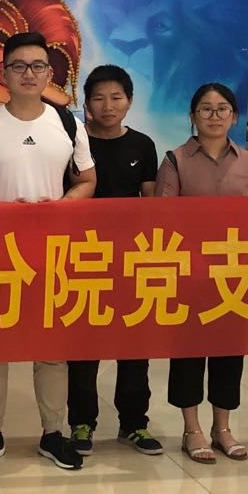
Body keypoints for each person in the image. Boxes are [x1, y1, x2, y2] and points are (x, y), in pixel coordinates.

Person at [0, 31, 96, 471]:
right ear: (3, 73)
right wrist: (0, 213)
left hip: (52, 251)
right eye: (18, 66)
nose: (28, 74)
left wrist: (63, 206)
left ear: (49, 74)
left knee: (52, 348)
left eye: (37, 66)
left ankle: (53, 433)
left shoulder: (68, 124)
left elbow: (87, 180)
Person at [156, 82, 248, 464]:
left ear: (234, 116)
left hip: (235, 271)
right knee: (188, 352)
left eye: (222, 109)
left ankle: (223, 427)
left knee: (229, 352)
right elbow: (163, 217)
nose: (214, 116)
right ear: (193, 116)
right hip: (191, 272)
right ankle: (192, 429)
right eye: (206, 109)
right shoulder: (175, 160)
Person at [66, 64, 162, 456]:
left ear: (129, 102)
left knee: (134, 343)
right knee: (83, 345)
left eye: (116, 97)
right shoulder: (73, 141)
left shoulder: (142, 145)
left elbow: (151, 203)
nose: (108, 106)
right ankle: (81, 423)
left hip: (130, 257)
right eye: (99, 98)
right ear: (87, 103)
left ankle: (134, 423)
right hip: (82, 256)